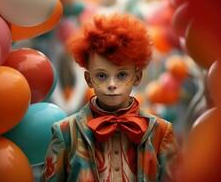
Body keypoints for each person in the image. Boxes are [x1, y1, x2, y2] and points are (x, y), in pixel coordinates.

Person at [42, 13, 178, 182]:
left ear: (137, 77)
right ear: (88, 79)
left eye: (121, 75)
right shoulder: (65, 133)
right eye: (101, 76)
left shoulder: (161, 132)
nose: (112, 84)